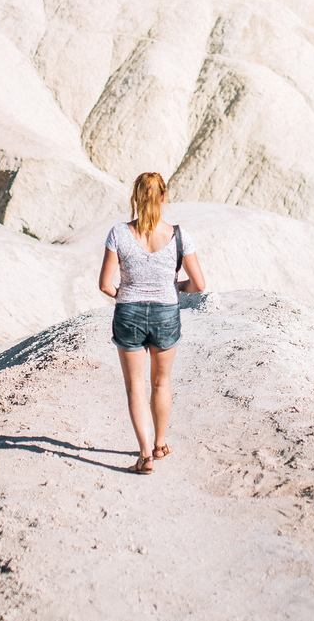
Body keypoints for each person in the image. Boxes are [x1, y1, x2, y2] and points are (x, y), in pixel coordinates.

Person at [98, 171, 207, 475]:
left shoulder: (118, 234)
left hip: (128, 313)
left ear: (135, 198)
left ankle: (145, 455)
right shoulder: (180, 236)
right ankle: (159, 443)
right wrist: (176, 288)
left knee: (135, 386)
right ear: (164, 197)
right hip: (166, 313)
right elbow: (198, 284)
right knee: (161, 383)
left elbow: (105, 285)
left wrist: (128, 294)